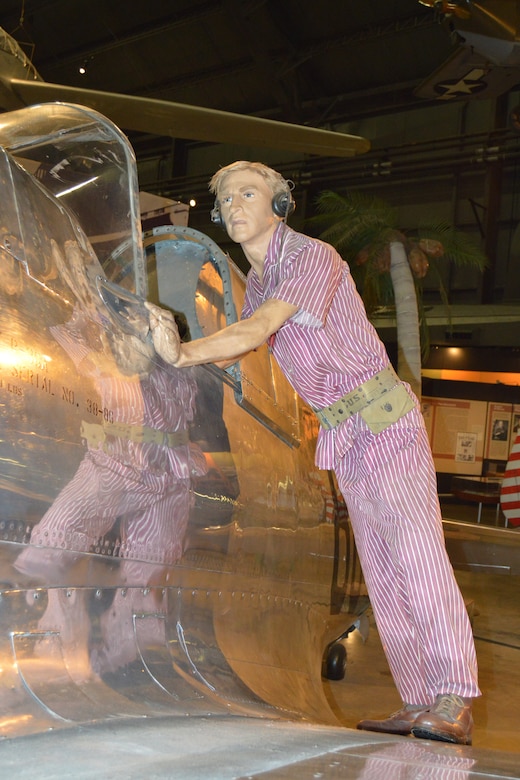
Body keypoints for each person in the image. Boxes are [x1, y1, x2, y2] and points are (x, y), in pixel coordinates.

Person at [146, 160, 480, 745]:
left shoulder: (308, 259)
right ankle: (421, 699)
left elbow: (255, 332)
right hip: (346, 434)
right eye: (228, 198)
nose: (237, 204)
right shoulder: (265, 281)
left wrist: (182, 352)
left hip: (383, 422)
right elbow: (236, 351)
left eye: (251, 192)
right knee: (383, 570)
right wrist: (158, 339)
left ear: (279, 205)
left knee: (418, 559)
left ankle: (454, 696)